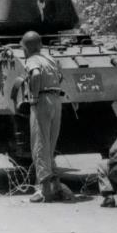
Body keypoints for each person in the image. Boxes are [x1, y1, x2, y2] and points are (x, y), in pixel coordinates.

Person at [22, 30, 73, 203]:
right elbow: (60, 75)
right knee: (50, 143)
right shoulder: (50, 58)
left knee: (39, 143)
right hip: (56, 99)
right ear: (40, 45)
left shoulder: (32, 59)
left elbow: (35, 74)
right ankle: (56, 185)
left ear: (25, 47)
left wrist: (34, 95)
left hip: (42, 100)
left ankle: (43, 189)